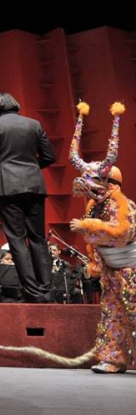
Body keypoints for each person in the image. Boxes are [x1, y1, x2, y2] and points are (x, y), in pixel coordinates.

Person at [67, 101, 136, 373]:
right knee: (112, 314)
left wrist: (92, 225)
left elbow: (122, 233)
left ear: (111, 184)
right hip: (111, 269)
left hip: (131, 269)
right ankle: (113, 358)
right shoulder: (94, 206)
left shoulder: (123, 205)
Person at [0, 92, 57, 303]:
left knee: (17, 239)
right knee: (38, 238)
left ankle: (33, 293)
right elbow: (50, 156)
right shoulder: (34, 124)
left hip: (8, 187)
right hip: (35, 185)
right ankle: (47, 291)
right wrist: (31, 168)